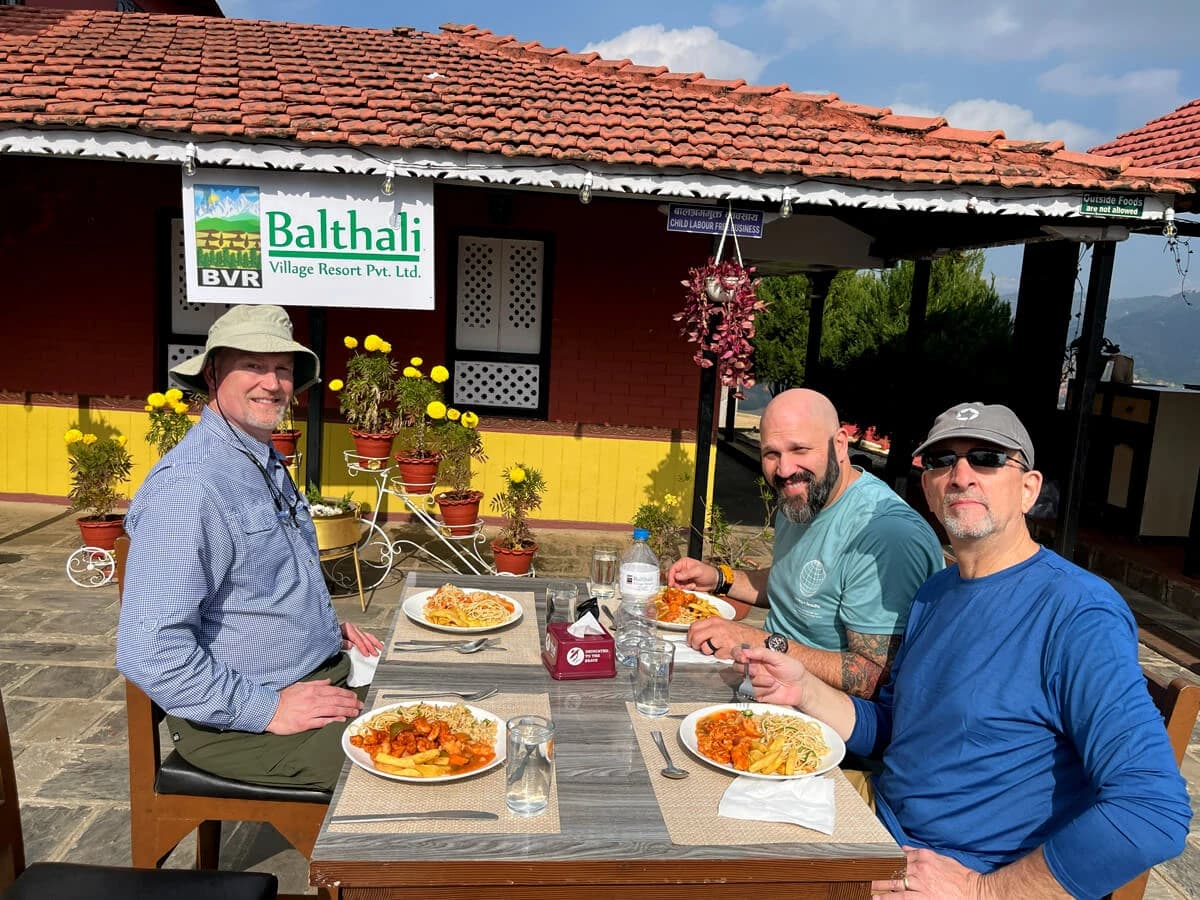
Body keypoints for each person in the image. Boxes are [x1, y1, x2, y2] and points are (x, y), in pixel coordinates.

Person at [740, 402, 1191, 898]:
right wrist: (804, 689)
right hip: (877, 823)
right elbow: (897, 732)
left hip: (954, 868)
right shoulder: (937, 593)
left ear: (1029, 489)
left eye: (987, 458)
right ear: (928, 490)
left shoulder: (1077, 613)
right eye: (941, 461)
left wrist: (985, 890)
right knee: (709, 831)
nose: (961, 475)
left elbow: (1152, 810)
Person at [116, 305, 382, 791]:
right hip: (237, 724)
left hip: (315, 674)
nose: (273, 383)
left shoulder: (257, 457)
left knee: (441, 700)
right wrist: (268, 708)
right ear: (214, 372)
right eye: (253, 366)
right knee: (419, 769)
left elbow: (259, 580)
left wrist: (318, 628)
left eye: (282, 369)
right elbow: (149, 652)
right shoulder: (190, 485)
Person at [670, 388, 943, 698]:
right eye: (771, 454)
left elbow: (874, 677)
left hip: (826, 719)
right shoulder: (802, 499)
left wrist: (759, 640)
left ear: (839, 444)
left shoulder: (886, 535)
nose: (785, 470)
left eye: (799, 449)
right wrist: (719, 578)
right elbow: (791, 582)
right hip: (764, 677)